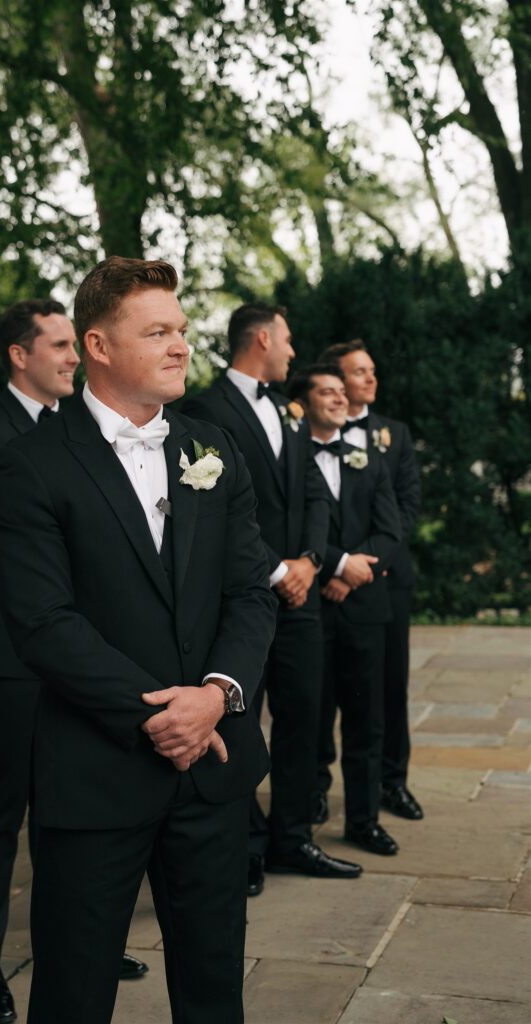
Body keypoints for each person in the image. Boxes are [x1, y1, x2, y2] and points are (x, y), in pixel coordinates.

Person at [0, 257, 278, 1024]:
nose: (181, 345)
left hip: (213, 772)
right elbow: (44, 624)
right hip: (96, 771)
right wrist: (162, 715)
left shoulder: (211, 447)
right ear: (98, 346)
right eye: (156, 332)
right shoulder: (27, 466)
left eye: (181, 329)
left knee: (214, 994)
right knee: (74, 996)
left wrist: (216, 696)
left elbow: (250, 590)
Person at [0, 299, 147, 1024]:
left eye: (75, 345)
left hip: (86, 654)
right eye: (60, 346)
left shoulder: (81, 433)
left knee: (78, 804)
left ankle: (80, 944)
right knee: (3, 806)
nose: (74, 358)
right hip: (12, 655)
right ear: (19, 355)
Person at [184, 303, 361, 896]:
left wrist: (309, 562)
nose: (292, 352)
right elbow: (210, 516)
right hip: (246, 597)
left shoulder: (288, 412)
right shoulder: (204, 411)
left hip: (301, 596)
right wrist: (275, 568)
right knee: (239, 723)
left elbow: (313, 492)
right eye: (286, 341)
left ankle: (292, 836)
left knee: (303, 719)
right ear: (261, 338)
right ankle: (244, 844)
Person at [289, 365, 402, 856]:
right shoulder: (289, 458)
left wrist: (354, 572)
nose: (338, 398)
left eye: (341, 391)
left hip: (363, 608)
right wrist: (335, 564)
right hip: (307, 605)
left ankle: (363, 820)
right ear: (304, 401)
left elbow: (390, 531)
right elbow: (290, 528)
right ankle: (307, 804)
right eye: (326, 391)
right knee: (309, 715)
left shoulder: (369, 460)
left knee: (365, 719)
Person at [318, 340, 423, 821]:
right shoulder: (310, 432)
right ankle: (315, 785)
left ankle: (391, 781)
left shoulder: (394, 435)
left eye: (372, 371)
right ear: (337, 381)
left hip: (384, 580)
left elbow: (405, 511)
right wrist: (337, 565)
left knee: (389, 686)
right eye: (359, 372)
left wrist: (361, 569)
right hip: (326, 579)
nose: (370, 378)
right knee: (321, 688)